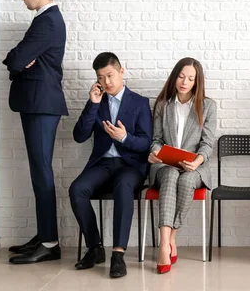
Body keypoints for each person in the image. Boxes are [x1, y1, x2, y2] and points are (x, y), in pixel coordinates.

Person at [4, 0, 68, 264]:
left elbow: (17, 60)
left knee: (41, 172)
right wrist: (18, 60)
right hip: (37, 103)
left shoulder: (48, 21)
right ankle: (44, 235)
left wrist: (18, 62)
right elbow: (18, 58)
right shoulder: (45, 20)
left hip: (42, 105)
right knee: (37, 171)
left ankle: (50, 242)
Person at [69, 52, 152, 278]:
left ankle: (118, 253)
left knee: (123, 187)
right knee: (77, 189)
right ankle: (95, 248)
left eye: (110, 75)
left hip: (131, 165)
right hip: (103, 163)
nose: (107, 82)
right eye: (101, 77)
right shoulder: (98, 102)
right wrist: (92, 104)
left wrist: (125, 137)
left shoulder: (140, 103)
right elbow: (79, 135)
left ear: (121, 71)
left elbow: (146, 142)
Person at [148, 57, 217, 274]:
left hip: (194, 166)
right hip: (166, 165)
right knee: (170, 175)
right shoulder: (162, 105)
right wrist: (155, 152)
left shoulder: (208, 106)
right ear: (175, 76)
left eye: (190, 78)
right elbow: (156, 139)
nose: (184, 82)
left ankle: (170, 239)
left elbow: (207, 142)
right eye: (181, 76)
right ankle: (163, 246)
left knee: (186, 180)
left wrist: (196, 161)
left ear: (197, 82)